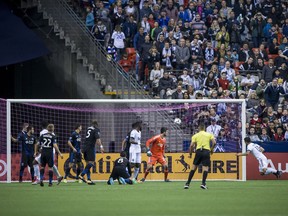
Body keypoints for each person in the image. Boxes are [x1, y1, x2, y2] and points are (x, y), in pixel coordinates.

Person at [184, 123, 216, 190]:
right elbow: (214, 142)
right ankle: (203, 184)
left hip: (198, 152)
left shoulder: (195, 135)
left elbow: (191, 146)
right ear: (204, 128)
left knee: (193, 168)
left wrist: (190, 154)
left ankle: (187, 184)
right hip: (206, 151)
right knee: (205, 168)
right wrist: (212, 149)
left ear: (199, 129)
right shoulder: (209, 134)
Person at [33, 120, 64, 185]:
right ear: (52, 129)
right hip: (50, 152)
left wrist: (36, 151)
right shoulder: (53, 135)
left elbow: (38, 143)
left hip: (43, 151)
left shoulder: (42, 134)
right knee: (50, 166)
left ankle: (40, 179)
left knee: (41, 166)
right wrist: (60, 153)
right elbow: (55, 145)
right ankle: (50, 181)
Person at [78, 120, 104, 185]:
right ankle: (81, 175)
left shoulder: (88, 129)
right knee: (91, 163)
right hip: (90, 148)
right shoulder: (96, 129)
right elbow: (98, 139)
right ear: (96, 124)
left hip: (85, 147)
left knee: (87, 165)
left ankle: (89, 179)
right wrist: (101, 146)